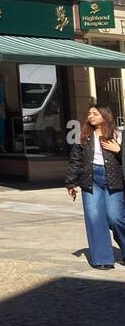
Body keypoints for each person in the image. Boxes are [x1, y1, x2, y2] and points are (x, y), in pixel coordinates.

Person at [66, 105, 125, 270]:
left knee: (116, 217)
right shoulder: (84, 136)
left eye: (95, 113)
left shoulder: (118, 135)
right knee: (94, 217)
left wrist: (119, 150)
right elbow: (75, 161)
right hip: (91, 180)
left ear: (105, 115)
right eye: (89, 113)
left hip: (115, 179)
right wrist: (71, 182)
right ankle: (102, 258)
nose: (90, 116)